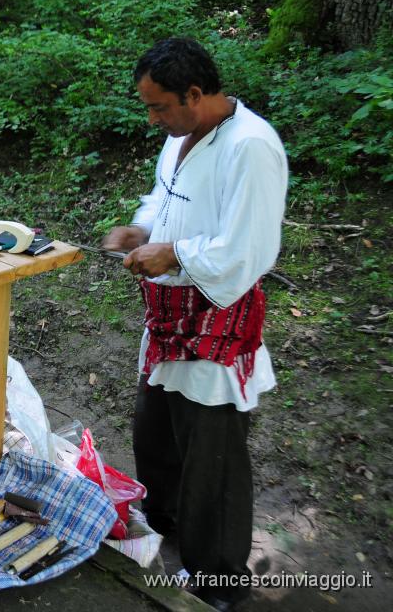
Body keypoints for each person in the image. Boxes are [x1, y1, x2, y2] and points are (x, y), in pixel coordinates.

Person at [102, 37, 288, 610]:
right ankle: (169, 524)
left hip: (217, 320)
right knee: (155, 431)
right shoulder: (181, 137)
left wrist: (175, 253)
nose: (153, 117)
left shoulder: (251, 146)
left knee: (213, 455)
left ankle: (221, 581)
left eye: (159, 106)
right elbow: (165, 197)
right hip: (167, 314)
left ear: (196, 93)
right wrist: (141, 229)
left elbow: (249, 249)